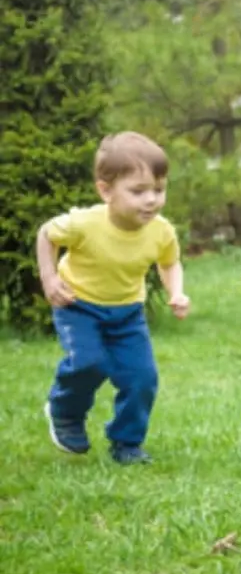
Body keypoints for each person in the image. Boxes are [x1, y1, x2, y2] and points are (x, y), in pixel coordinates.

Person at [37, 131, 191, 465]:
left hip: (127, 312)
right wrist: (49, 279)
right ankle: (64, 411)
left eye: (159, 189)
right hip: (78, 305)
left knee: (142, 378)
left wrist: (176, 291)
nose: (151, 199)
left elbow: (169, 261)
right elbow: (47, 234)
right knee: (90, 362)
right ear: (105, 190)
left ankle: (127, 443)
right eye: (138, 191)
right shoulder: (85, 223)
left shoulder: (161, 229)